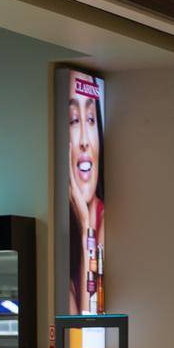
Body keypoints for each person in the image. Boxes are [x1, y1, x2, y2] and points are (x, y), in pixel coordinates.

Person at [65, 68, 104, 315]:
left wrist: (86, 225)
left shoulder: (103, 218)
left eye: (90, 119)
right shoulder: (61, 237)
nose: (84, 140)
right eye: (73, 120)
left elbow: (87, 322)